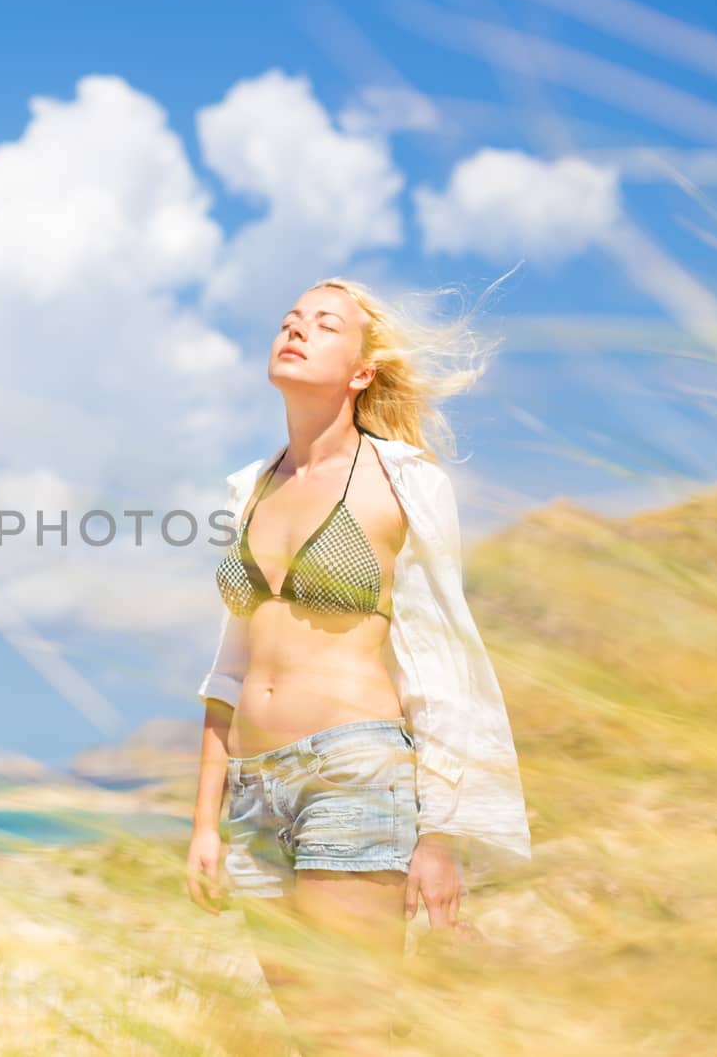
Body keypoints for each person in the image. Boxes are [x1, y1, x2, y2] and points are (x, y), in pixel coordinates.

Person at [184, 277, 532, 1054]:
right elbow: (227, 668)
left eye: (323, 323)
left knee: (353, 1034)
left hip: (354, 769)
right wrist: (205, 821)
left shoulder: (404, 481)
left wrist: (439, 836)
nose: (296, 330)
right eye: (288, 320)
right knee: (313, 1034)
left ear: (363, 371)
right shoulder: (250, 488)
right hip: (254, 789)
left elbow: (444, 661)